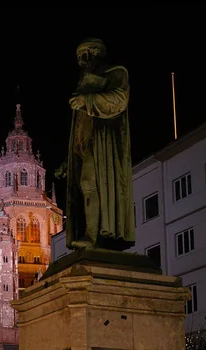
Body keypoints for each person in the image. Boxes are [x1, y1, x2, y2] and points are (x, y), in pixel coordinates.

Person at [61, 38, 134, 251]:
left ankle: (93, 237)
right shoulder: (84, 82)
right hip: (83, 145)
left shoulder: (116, 72)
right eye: (79, 58)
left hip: (103, 143)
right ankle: (90, 234)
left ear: (97, 53)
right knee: (85, 188)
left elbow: (120, 99)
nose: (82, 62)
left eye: (86, 55)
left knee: (90, 185)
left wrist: (88, 101)